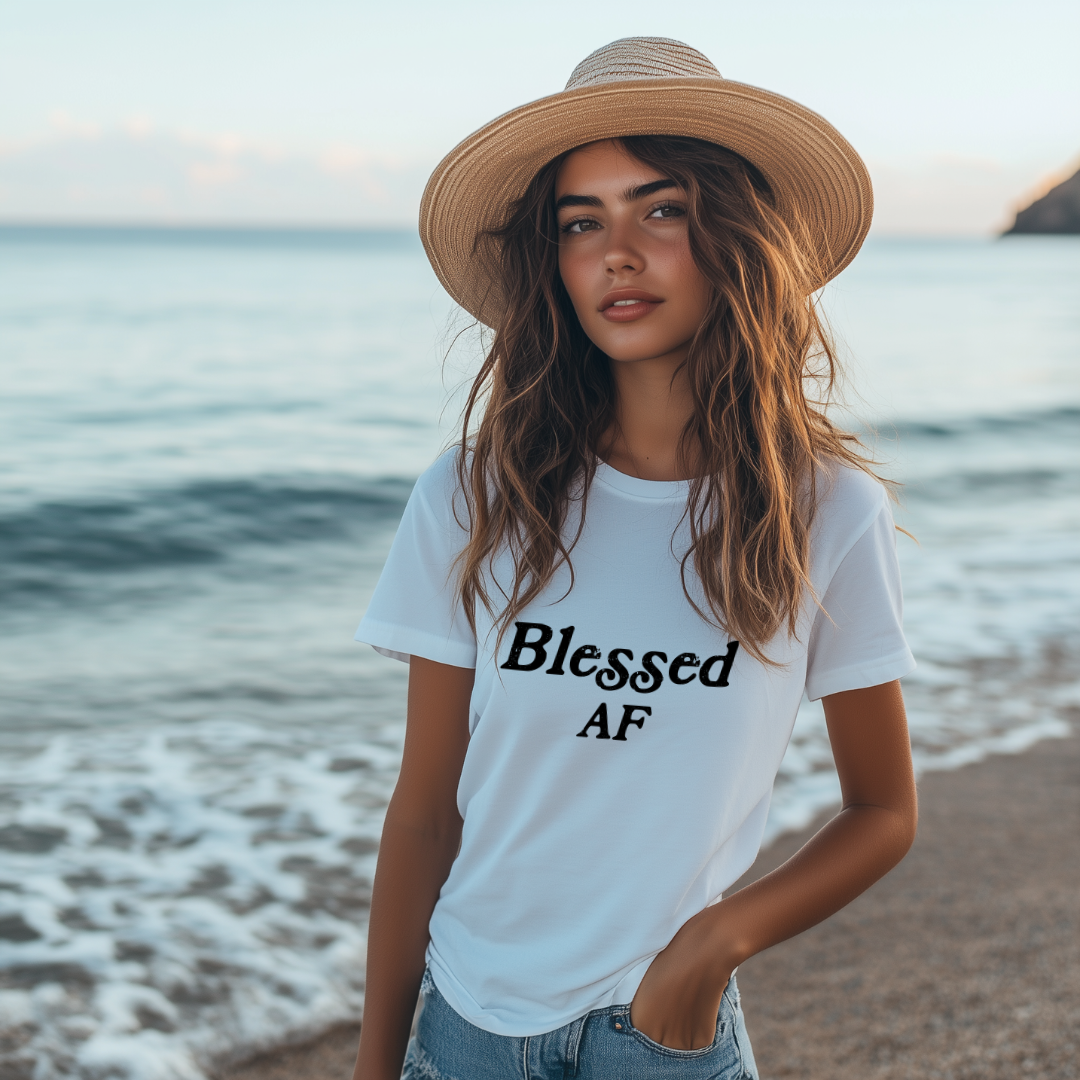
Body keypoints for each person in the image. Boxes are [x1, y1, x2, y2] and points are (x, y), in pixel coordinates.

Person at [352, 37, 918, 1080]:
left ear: (735, 234)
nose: (618, 251)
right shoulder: (475, 497)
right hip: (466, 1026)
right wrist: (373, 1066)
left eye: (660, 209)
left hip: (663, 1033)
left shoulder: (826, 510)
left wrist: (712, 946)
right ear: (553, 261)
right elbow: (425, 809)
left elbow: (883, 809)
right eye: (582, 222)